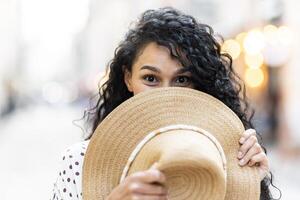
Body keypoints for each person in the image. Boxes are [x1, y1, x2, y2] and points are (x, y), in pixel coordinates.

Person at [51, 7, 279, 200]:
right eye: (150, 79)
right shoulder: (80, 162)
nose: (166, 94)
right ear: (128, 77)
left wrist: (254, 184)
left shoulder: (226, 158)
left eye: (182, 80)